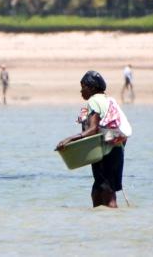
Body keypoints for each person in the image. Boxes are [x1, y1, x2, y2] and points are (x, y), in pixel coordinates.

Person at [55, 70, 133, 208]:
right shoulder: (108, 100)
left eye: (83, 87)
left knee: (106, 192)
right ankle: (102, 224)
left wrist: (69, 139)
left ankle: (110, 222)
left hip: (103, 151)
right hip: (115, 149)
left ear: (91, 88)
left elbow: (93, 129)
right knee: (98, 191)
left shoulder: (93, 101)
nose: (81, 91)